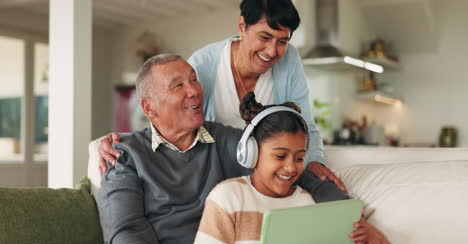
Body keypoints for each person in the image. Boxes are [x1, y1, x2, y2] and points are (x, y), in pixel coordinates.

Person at [95, 54, 397, 244]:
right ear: (149, 108)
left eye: (194, 80)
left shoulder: (225, 139)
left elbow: (292, 171)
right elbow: (126, 232)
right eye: (178, 86)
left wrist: (353, 221)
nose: (195, 91)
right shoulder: (124, 154)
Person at [97, 0, 346, 192]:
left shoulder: (289, 59)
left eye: (283, 41)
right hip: (218, 180)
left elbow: (304, 125)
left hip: (272, 177)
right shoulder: (202, 67)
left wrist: (314, 162)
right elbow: (171, 123)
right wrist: (122, 143)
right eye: (265, 37)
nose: (273, 51)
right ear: (242, 26)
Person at [190, 93, 385, 244]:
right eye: (280, 156)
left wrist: (354, 241)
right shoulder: (227, 197)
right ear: (252, 153)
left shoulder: (306, 201)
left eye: (300, 158)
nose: (291, 167)